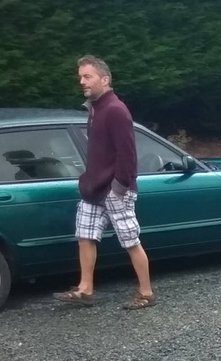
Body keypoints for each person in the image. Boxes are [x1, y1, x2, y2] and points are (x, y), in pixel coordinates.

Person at [54, 55, 155, 309]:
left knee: (130, 240)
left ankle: (146, 293)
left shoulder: (115, 110)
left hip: (115, 189)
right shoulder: (95, 108)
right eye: (80, 77)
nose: (82, 82)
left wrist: (119, 187)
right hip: (93, 188)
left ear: (105, 79)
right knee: (85, 235)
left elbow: (127, 154)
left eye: (87, 76)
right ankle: (85, 289)